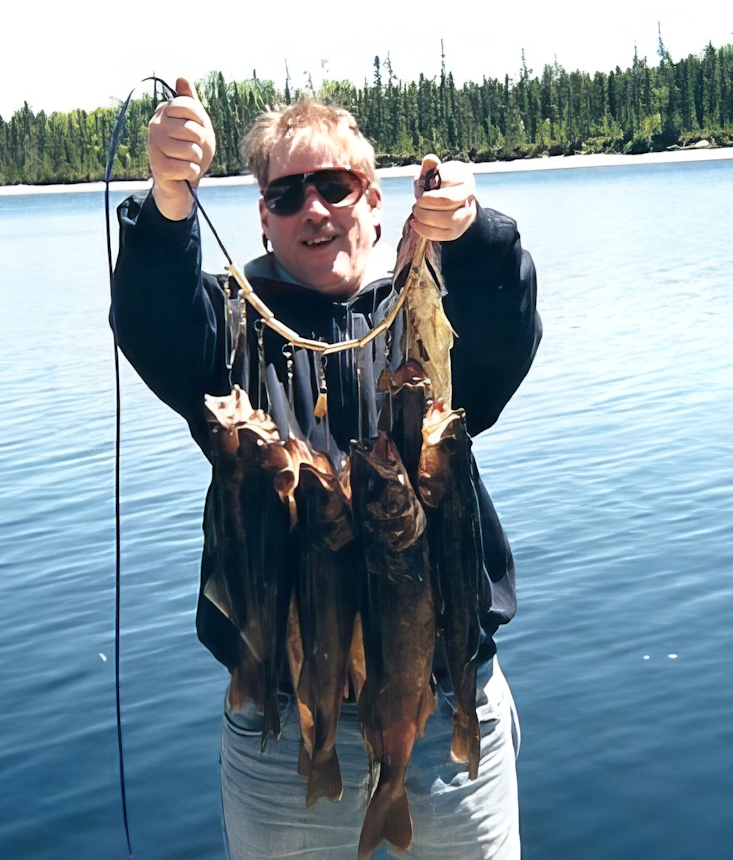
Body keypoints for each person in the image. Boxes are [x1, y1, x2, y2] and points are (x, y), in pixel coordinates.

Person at [112, 76, 540, 860]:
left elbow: (507, 334)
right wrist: (169, 205)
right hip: (283, 724)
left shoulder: (431, 316)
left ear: (375, 202)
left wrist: (477, 235)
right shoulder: (227, 331)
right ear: (265, 220)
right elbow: (152, 319)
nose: (314, 208)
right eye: (287, 194)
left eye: (336, 186)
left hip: (445, 706)